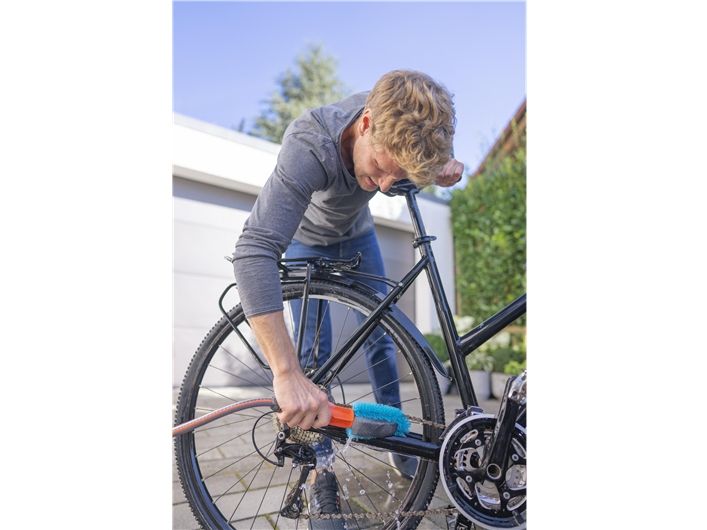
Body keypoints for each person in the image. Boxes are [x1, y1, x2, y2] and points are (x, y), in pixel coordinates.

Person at [232, 69, 462, 528]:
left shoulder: (400, 121)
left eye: (397, 176)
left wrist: (438, 168)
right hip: (305, 242)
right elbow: (253, 250)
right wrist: (285, 373)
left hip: (357, 236)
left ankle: (394, 439)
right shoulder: (310, 143)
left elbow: (412, 155)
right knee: (311, 354)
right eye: (380, 167)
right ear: (366, 123)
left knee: (381, 336)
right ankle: (320, 464)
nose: (383, 185)